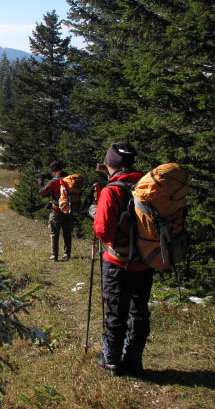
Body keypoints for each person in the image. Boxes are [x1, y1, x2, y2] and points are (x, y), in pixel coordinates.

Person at [91, 142, 152, 377]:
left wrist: (95, 212)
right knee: (139, 311)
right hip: (146, 259)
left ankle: (112, 361)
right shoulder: (145, 184)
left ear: (110, 163)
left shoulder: (112, 190)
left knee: (116, 312)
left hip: (118, 262)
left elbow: (103, 230)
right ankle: (134, 360)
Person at [38, 160, 73, 261]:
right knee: (67, 232)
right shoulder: (69, 178)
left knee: (54, 232)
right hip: (69, 208)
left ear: (53, 170)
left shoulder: (54, 181)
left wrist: (40, 181)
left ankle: (54, 254)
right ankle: (67, 254)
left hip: (57, 209)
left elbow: (43, 192)